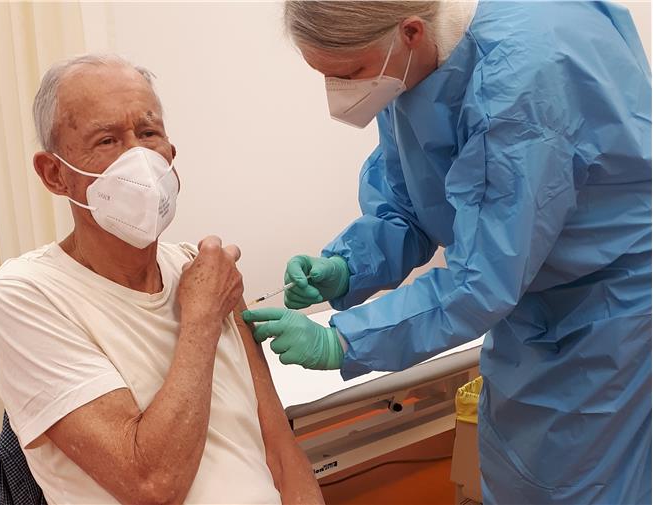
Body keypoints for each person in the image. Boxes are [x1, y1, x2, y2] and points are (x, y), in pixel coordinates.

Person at [242, 1, 651, 503]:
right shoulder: (409, 67)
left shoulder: (521, 79)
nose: (340, 94)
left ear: (410, 31)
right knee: (519, 470)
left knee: (580, 483)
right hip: (531, 300)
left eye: (348, 74)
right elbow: (413, 203)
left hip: (612, 310)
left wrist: (344, 341)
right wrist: (348, 266)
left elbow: (482, 279)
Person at [0, 54, 323, 505]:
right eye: (107, 140)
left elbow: (281, 451)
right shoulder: (27, 294)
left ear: (171, 155)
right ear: (55, 174)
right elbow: (152, 485)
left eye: (148, 134)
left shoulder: (203, 269)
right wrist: (199, 320)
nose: (138, 159)